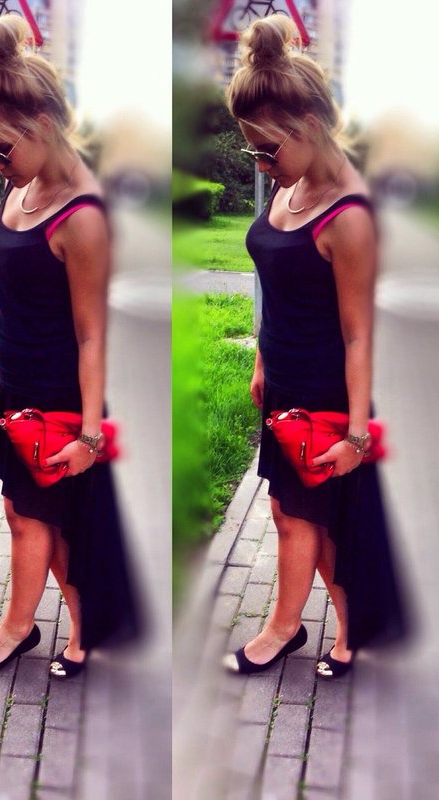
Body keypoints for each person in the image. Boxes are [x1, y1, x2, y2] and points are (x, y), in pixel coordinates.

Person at [0, 16, 141, 679]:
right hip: (17, 381)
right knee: (22, 510)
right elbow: (14, 286)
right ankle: (69, 624)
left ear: (41, 126)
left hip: (61, 390)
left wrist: (90, 435)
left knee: (46, 517)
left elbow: (93, 332)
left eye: (0, 150)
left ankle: (27, 627)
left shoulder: (82, 215)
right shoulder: (24, 182)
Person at [221, 16, 407, 679]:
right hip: (284, 381)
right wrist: (262, 361)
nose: (260, 164)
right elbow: (280, 285)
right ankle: (336, 623)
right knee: (288, 510)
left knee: (313, 517)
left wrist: (357, 436)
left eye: (267, 150)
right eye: (253, 151)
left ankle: (291, 628)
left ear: (307, 127)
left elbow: (359, 332)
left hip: (328, 391)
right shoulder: (289, 181)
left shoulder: (349, 215)